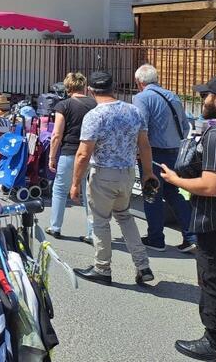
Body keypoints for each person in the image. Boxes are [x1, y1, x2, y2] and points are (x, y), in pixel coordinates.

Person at [70, 70, 156, 286]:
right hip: (127, 173)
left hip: (103, 173)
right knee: (125, 216)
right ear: (114, 88)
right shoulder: (133, 111)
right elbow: (144, 146)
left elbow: (83, 154)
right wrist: (148, 173)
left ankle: (102, 267)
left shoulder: (95, 115)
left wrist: (74, 184)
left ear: (90, 90)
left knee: (100, 221)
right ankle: (143, 265)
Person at [162, 75, 216, 360]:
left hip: (214, 219)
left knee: (212, 278)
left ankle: (215, 341)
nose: (202, 101)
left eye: (206, 96)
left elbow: (211, 186)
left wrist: (175, 180)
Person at [133, 64, 196, 253]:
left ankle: (156, 238)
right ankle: (192, 236)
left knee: (152, 194)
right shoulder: (172, 96)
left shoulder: (142, 98)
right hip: (175, 151)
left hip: (153, 152)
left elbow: (140, 127)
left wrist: (138, 149)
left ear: (139, 82)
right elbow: (186, 126)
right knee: (173, 193)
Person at [47, 72, 95, 243]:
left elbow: (56, 134)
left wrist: (52, 156)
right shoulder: (95, 104)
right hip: (90, 153)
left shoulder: (64, 105)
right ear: (83, 86)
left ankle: (55, 227)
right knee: (89, 194)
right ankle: (92, 233)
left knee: (60, 189)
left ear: (67, 87)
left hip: (69, 152)